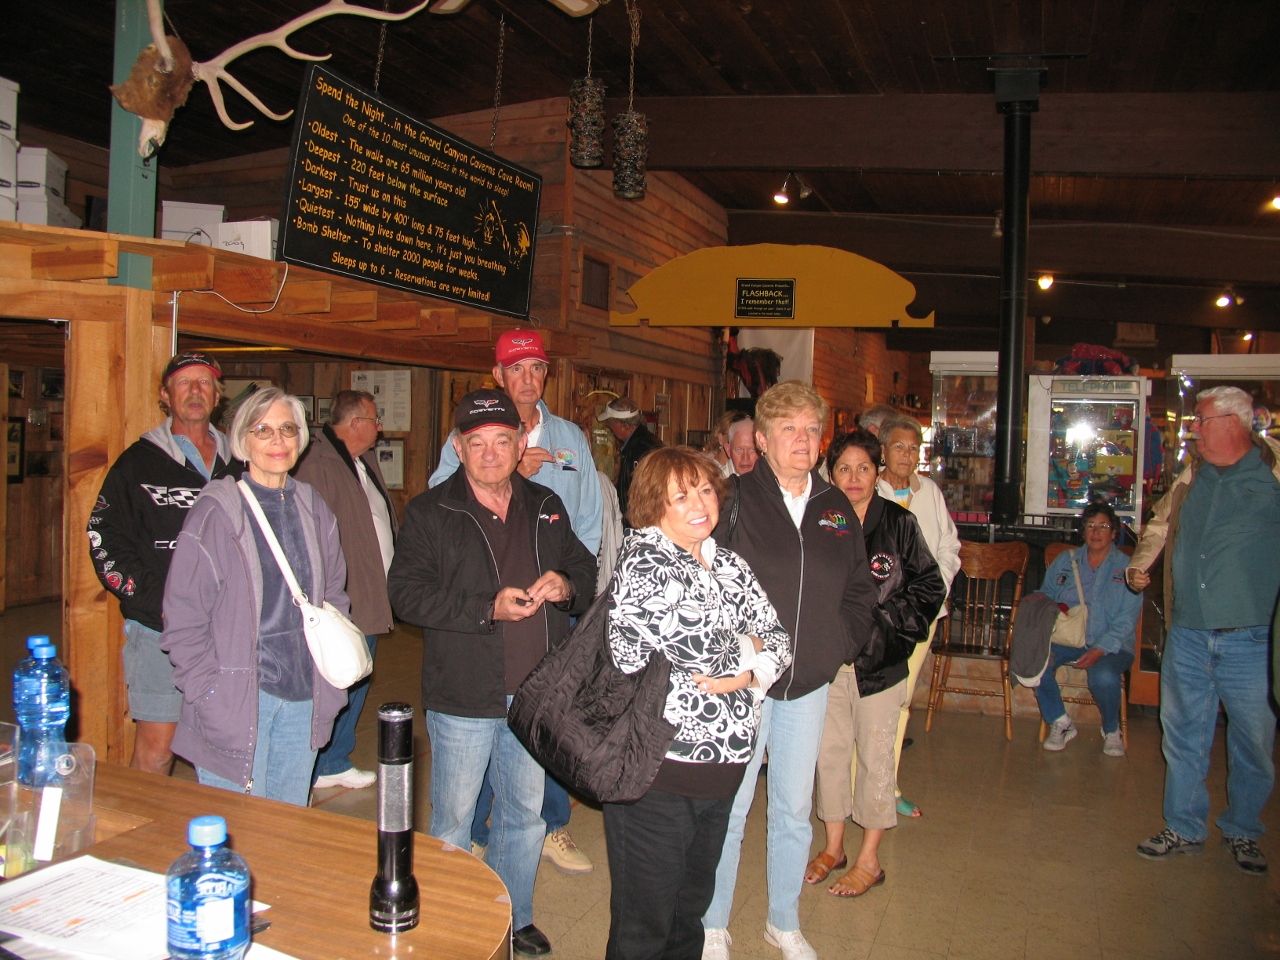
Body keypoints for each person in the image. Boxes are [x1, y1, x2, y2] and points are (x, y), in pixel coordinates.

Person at [390, 388, 597, 958]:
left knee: (524, 816)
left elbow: (584, 565)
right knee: (454, 819)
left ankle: (515, 917)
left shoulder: (546, 502)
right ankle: (451, 920)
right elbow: (405, 595)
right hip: (464, 695)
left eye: (501, 441)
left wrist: (565, 583)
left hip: (534, 694)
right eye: (476, 443)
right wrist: (487, 607)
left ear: (520, 442)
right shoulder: (431, 511)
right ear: (458, 447)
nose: (489, 453)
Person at [703, 381, 877, 960]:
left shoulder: (834, 507)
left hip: (806, 685)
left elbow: (859, 587)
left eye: (810, 429)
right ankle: (713, 923)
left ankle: (783, 921)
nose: (802, 441)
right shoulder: (732, 499)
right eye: (788, 429)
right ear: (761, 437)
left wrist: (838, 646)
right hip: (743, 684)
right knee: (729, 806)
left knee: (793, 809)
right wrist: (733, 655)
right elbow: (704, 583)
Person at [605, 447, 791, 960]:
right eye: (680, 495)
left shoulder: (727, 562)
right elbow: (700, 651)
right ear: (653, 504)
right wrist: (749, 657)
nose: (699, 504)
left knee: (689, 916)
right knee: (644, 925)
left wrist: (750, 672)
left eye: (705, 489)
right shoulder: (644, 560)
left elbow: (779, 638)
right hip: (657, 775)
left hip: (722, 770)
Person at [430, 329, 602, 874]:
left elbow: (591, 523)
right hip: (485, 617)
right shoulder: (470, 437)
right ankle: (478, 832)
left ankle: (549, 828)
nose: (528, 379)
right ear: (499, 375)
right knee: (480, 726)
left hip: (552, 617)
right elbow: (440, 506)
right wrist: (508, 470)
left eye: (537, 369)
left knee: (545, 729)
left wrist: (574, 591)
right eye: (517, 369)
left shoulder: (571, 436)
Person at [162, 389, 349, 805]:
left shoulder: (312, 506)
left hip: (304, 695)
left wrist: (330, 674)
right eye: (262, 430)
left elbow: (334, 592)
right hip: (241, 698)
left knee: (286, 830)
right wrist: (209, 692)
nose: (277, 441)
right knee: (242, 834)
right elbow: (183, 617)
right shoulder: (217, 512)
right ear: (242, 440)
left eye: (286, 429)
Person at [1128, 386, 1280, 876]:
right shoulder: (1192, 475)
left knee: (1253, 741)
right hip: (1189, 632)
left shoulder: (1273, 473)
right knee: (1183, 735)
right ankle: (1184, 824)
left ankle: (1242, 830)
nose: (1191, 428)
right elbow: (1159, 524)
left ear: (1235, 423)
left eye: (1200, 420)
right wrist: (1139, 565)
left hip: (1252, 637)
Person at [808, 430, 944, 897]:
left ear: (877, 472)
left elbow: (929, 587)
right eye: (843, 468)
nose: (853, 477)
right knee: (829, 756)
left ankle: (869, 859)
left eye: (863, 468)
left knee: (876, 757)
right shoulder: (819, 522)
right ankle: (834, 847)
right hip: (829, 662)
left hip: (879, 664)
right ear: (830, 473)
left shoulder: (899, 524)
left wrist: (885, 630)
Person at [88, 351, 237, 776]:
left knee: (227, 743)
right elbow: (104, 538)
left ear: (216, 395)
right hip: (160, 631)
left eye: (204, 383)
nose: (195, 391)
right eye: (184, 383)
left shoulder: (240, 461)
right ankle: (137, 836)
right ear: (165, 395)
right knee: (157, 749)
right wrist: (158, 602)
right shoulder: (138, 462)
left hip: (228, 631)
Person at [293, 389, 398, 791]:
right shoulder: (316, 463)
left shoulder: (364, 460)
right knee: (341, 678)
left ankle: (334, 758)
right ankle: (325, 762)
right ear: (355, 423)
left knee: (359, 675)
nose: (380, 427)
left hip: (371, 592)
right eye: (375, 419)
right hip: (342, 596)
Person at [874, 414, 962, 817]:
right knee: (871, 699)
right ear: (883, 450)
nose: (907, 454)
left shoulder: (930, 493)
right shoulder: (867, 487)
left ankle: (887, 788)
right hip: (875, 617)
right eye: (899, 446)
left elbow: (949, 548)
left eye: (914, 448)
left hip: (920, 616)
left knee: (902, 701)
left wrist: (927, 591)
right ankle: (865, 784)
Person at [1035, 503, 1142, 756]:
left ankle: (1111, 729)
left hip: (1113, 644)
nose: (1096, 532)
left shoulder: (1128, 568)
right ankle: (1060, 722)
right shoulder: (1065, 561)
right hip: (1068, 638)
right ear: (1082, 531)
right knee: (1036, 662)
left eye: (1103, 526)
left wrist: (1100, 650)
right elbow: (1044, 597)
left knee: (1103, 675)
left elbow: (1127, 619)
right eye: (1090, 526)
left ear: (1114, 532)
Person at [598, 396, 665, 523]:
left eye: (611, 424)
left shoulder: (640, 449)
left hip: (642, 522)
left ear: (620, 424)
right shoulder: (645, 442)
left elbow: (646, 493)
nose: (611, 429)